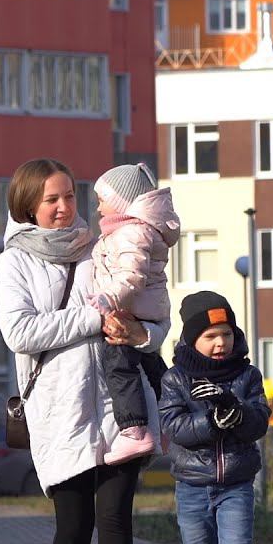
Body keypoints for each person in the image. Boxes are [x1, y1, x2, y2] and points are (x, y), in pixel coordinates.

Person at [0, 158, 168, 544]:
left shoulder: (106, 245)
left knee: (116, 521)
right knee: (74, 528)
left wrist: (140, 336)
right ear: (29, 205)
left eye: (70, 196)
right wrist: (93, 317)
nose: (65, 207)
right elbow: (20, 333)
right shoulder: (15, 262)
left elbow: (153, 313)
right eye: (52, 200)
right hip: (60, 410)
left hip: (121, 407)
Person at [158, 291, 269, 544]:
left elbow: (260, 421)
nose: (220, 343)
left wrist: (235, 411)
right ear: (192, 339)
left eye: (225, 334)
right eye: (210, 336)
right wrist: (210, 422)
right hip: (191, 486)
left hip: (236, 485)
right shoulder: (176, 379)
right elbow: (173, 427)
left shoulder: (246, 375)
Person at [85, 163, 179, 464]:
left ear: (122, 202)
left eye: (103, 199)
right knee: (154, 369)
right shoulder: (135, 230)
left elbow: (131, 276)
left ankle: (134, 431)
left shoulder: (131, 232)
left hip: (133, 311)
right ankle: (171, 419)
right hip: (145, 311)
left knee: (118, 365)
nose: (98, 206)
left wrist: (107, 297)